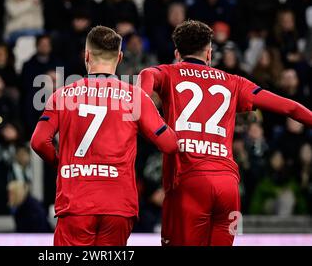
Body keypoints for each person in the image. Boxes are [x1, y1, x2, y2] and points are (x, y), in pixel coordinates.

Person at [138, 20, 312, 246]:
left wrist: (155, 122)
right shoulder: (234, 82)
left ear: (177, 53)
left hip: (189, 181)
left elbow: (145, 79)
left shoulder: (167, 73)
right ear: (209, 53)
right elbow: (291, 108)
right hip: (228, 187)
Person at [30, 26, 179, 246]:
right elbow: (168, 144)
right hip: (118, 204)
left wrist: (61, 163)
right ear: (119, 57)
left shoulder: (62, 95)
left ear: (87, 55)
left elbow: (38, 142)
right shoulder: (135, 97)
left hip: (76, 202)